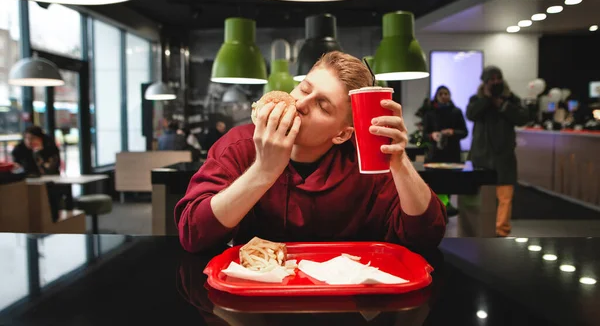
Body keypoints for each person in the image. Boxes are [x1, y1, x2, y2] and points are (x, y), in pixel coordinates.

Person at [175, 51, 447, 253]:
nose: (300, 103)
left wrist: (399, 162)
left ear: (342, 134)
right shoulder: (240, 144)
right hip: (260, 297)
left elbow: (425, 236)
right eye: (303, 88)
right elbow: (193, 234)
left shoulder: (364, 161)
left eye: (323, 106)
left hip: (346, 298)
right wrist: (263, 171)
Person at [466, 66, 528, 237]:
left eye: (497, 79)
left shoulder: (511, 99)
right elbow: (471, 114)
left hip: (504, 156)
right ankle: (481, 229)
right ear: (484, 82)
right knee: (480, 196)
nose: (495, 82)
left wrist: (503, 105)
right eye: (491, 80)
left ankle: (502, 232)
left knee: (505, 197)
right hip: (481, 156)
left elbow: (523, 118)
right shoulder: (477, 99)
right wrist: (486, 100)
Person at [423, 85, 468, 217]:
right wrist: (433, 135)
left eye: (446, 93)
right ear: (436, 96)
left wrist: (452, 132)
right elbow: (425, 134)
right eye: (441, 94)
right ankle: (438, 208)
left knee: (450, 183)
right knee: (435, 182)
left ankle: (444, 206)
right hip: (435, 155)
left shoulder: (456, 112)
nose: (444, 96)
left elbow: (464, 132)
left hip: (452, 154)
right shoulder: (430, 113)